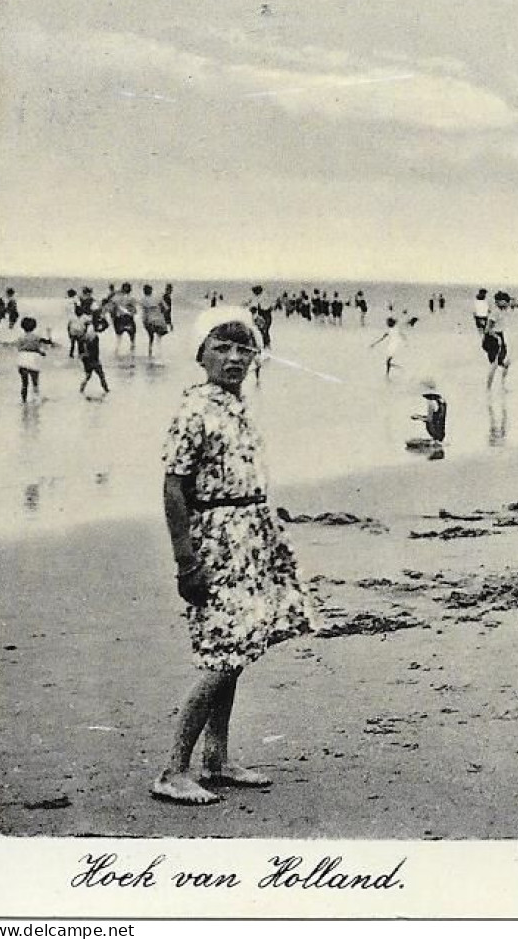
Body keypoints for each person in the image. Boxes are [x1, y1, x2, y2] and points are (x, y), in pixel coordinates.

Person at [151, 307, 317, 805]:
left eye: (244, 348)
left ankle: (216, 759)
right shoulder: (195, 409)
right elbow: (173, 487)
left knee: (238, 651)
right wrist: (186, 562)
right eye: (221, 347)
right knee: (223, 655)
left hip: (249, 538)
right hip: (215, 542)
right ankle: (172, 769)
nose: (234, 357)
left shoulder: (233, 404)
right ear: (200, 353)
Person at [15, 316, 54, 403]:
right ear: (34, 326)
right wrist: (49, 333)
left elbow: (20, 348)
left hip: (22, 359)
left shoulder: (20, 337)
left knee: (24, 384)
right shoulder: (36, 337)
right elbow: (48, 342)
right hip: (33, 360)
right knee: (35, 382)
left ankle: (23, 401)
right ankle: (36, 401)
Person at [407, 382, 448, 460]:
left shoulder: (431, 403)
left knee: (410, 445)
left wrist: (418, 418)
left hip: (434, 431)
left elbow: (429, 419)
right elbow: (437, 418)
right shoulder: (442, 402)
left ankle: (434, 444)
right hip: (441, 433)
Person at [480, 291, 513, 390]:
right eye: (505, 301)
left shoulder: (502, 311)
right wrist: (497, 337)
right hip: (492, 338)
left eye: (508, 302)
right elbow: (487, 329)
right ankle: (488, 388)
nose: (507, 303)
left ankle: (503, 386)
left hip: (499, 336)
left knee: (506, 363)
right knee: (494, 365)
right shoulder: (495, 312)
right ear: (499, 302)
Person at [77, 317, 109, 398]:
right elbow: (104, 327)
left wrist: (83, 357)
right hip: (94, 359)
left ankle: (81, 389)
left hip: (86, 359)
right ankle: (106, 390)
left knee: (88, 375)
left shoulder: (83, 337)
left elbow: (81, 351)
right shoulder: (93, 336)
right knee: (101, 375)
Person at [142, 284, 171, 359]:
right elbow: (166, 308)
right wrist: (161, 313)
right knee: (159, 337)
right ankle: (158, 353)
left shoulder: (143, 300)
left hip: (150, 321)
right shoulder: (158, 298)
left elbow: (144, 313)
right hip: (159, 320)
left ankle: (150, 353)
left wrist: (144, 322)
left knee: (151, 337)